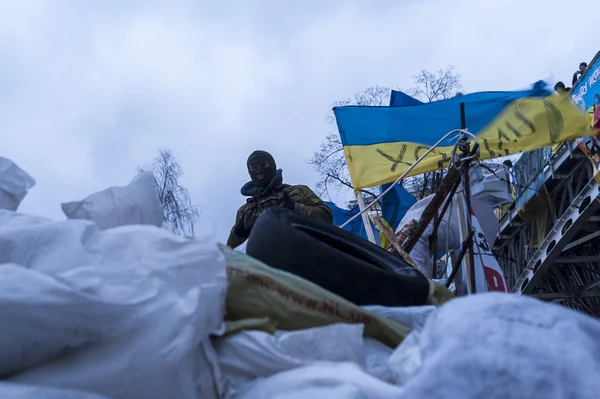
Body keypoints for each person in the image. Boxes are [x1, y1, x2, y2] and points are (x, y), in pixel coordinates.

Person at [226, 150, 333, 248]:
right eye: (253, 167)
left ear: (272, 166)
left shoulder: (298, 192)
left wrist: (295, 209)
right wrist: (239, 232)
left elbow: (326, 217)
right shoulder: (245, 211)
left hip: (304, 255)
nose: (259, 170)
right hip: (265, 264)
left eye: (263, 165)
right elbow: (231, 250)